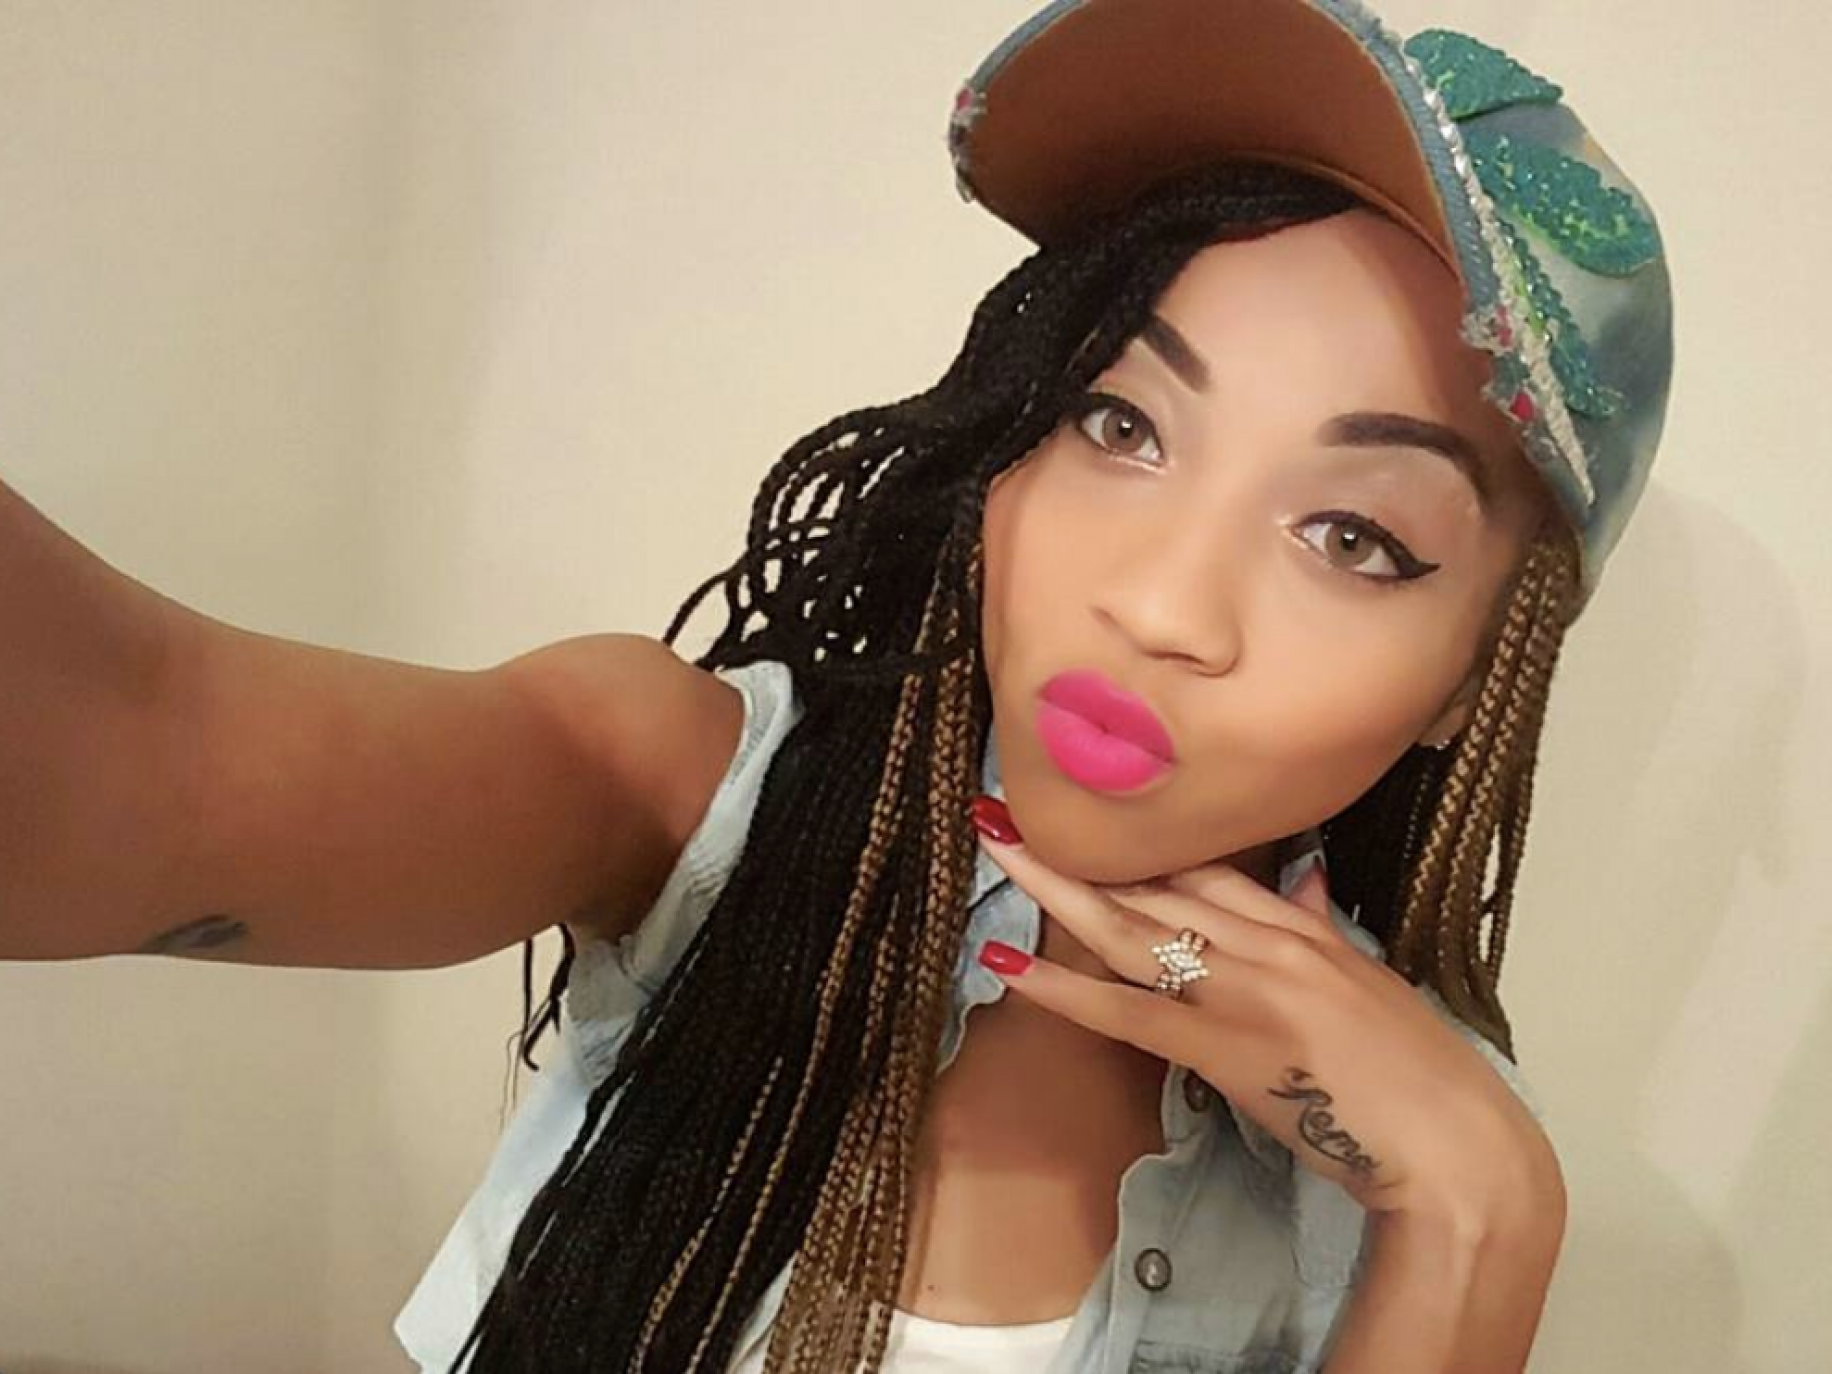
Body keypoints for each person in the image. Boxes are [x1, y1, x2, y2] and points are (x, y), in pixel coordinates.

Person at [0, 1, 1673, 1371]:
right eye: (1118, 422)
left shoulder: (1414, 1138)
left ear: (1474, 679)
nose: (1162, 601)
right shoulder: (700, 804)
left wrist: (1478, 1219)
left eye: (1353, 537)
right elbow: (146, 751)